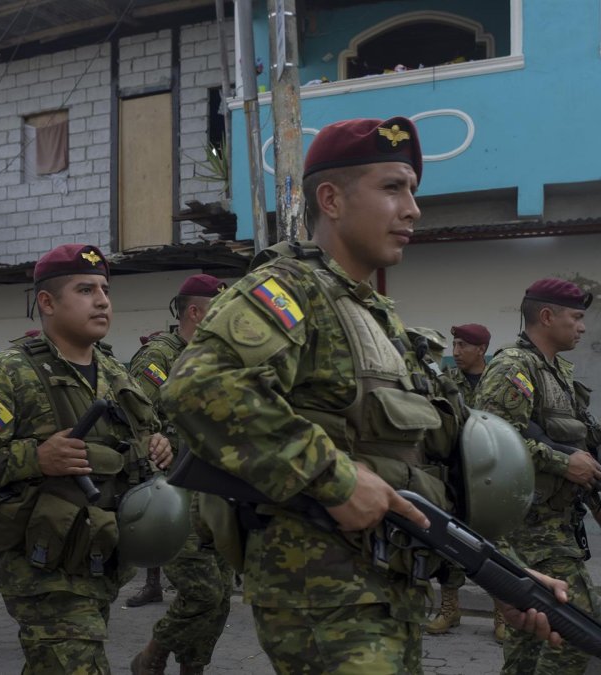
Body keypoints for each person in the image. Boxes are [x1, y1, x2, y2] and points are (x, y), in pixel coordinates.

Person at [162, 117, 567, 674]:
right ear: (330, 198)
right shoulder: (288, 290)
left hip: (392, 589)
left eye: (413, 191)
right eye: (392, 187)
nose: (412, 209)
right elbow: (198, 385)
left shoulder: (381, 321)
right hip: (324, 592)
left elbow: (423, 471)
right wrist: (335, 478)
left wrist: (500, 571)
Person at [0, 243, 174, 673]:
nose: (102, 300)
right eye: (85, 290)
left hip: (102, 563)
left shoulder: (116, 373)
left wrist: (157, 445)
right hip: (43, 572)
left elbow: (139, 439)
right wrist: (35, 458)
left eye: (104, 289)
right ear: (46, 302)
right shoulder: (10, 373)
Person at [472, 278, 601, 675]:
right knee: (579, 623)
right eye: (576, 317)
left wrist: (596, 503)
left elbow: (573, 447)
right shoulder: (512, 369)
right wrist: (561, 464)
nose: (582, 327)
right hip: (528, 525)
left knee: (529, 633)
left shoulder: (555, 372)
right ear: (546, 316)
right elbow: (490, 444)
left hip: (556, 520)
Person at [129, 273, 233, 675]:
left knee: (222, 596)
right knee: (203, 593)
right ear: (195, 311)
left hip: (217, 495)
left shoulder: (218, 360)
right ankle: (153, 652)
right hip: (173, 498)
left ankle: (194, 667)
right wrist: (156, 440)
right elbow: (132, 420)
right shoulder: (159, 357)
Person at [429, 322, 503, 639]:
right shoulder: (446, 383)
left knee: (497, 548)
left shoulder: (498, 382)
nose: (455, 351)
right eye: (454, 345)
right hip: (456, 475)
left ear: (481, 349)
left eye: (462, 345)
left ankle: (502, 615)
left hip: (491, 477)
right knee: (449, 543)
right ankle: (450, 609)